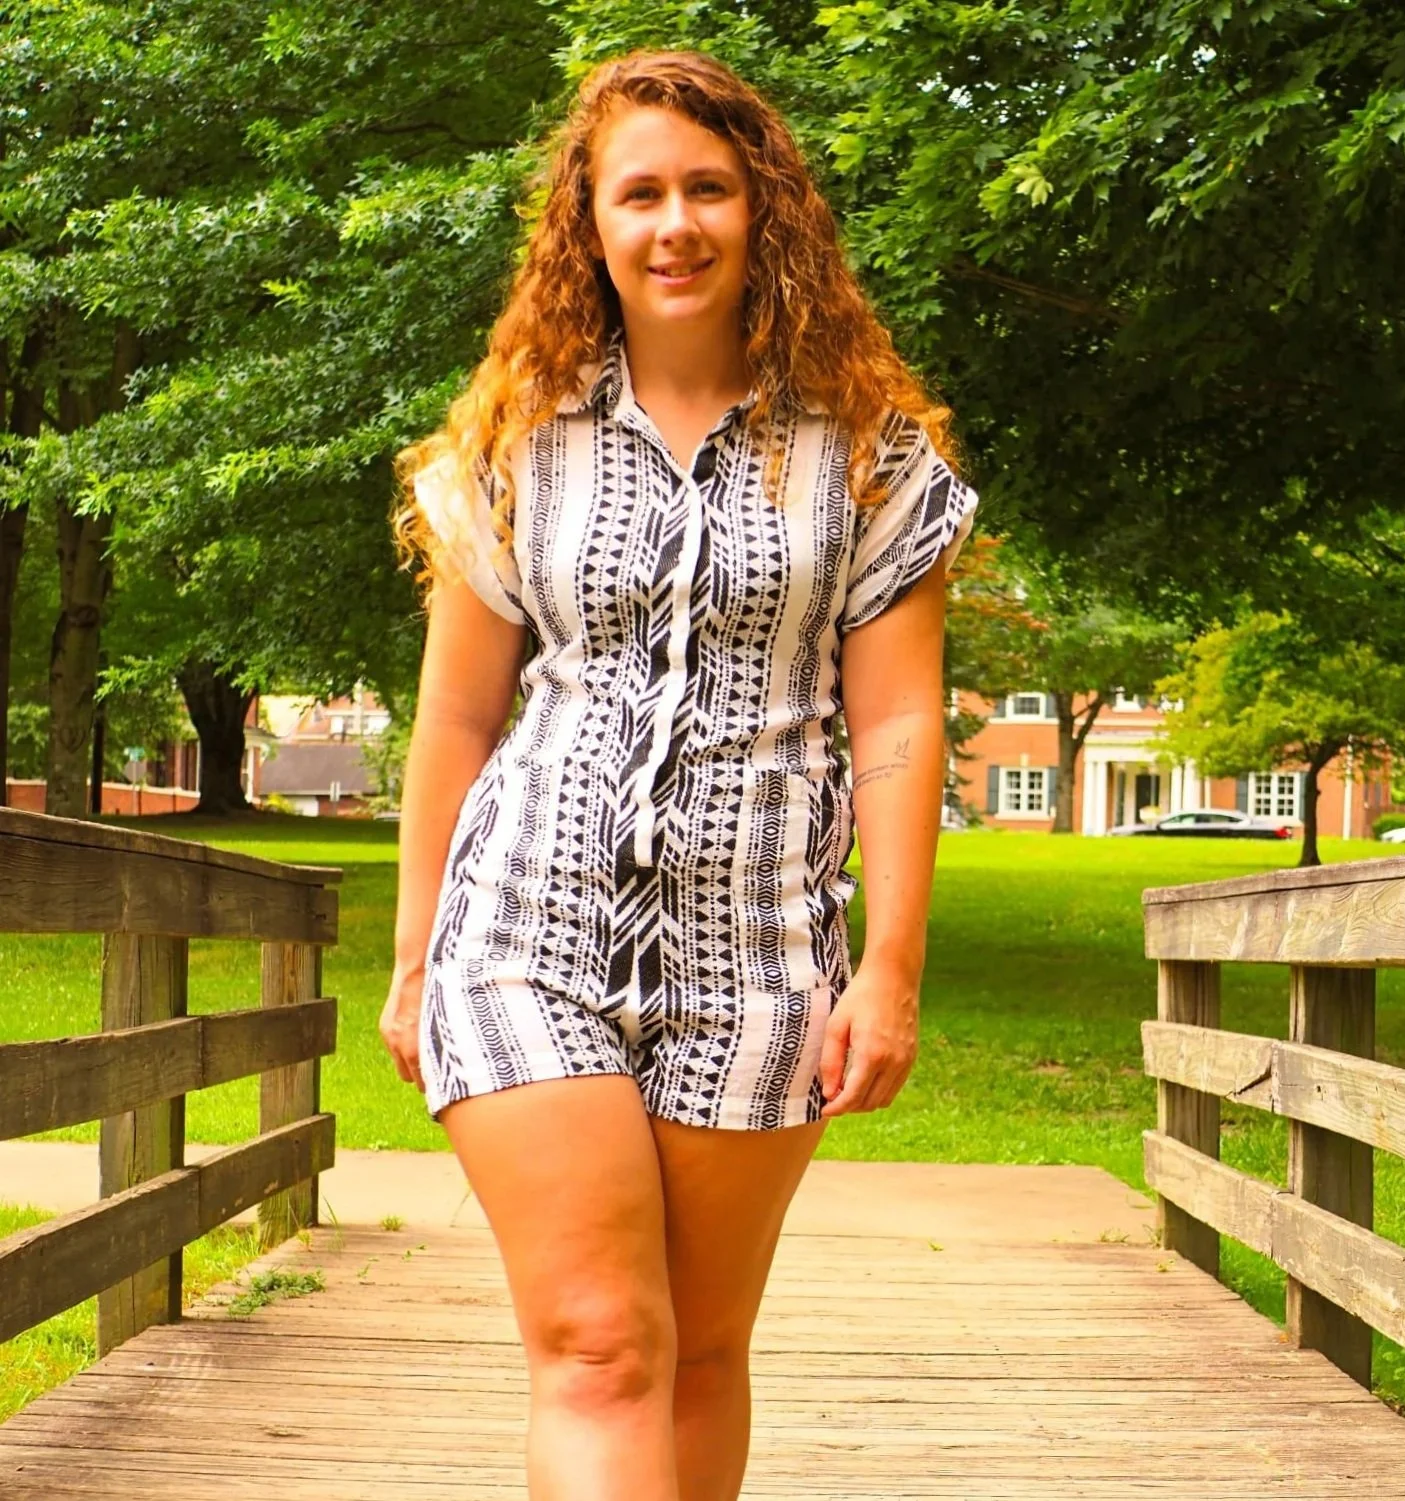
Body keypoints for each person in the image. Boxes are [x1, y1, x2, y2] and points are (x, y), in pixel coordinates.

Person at [378, 48, 977, 1501]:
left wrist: (886, 970)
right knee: (599, 1345)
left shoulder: (869, 457)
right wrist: (413, 961)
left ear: (763, 211)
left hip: (760, 954)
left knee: (700, 1352)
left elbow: (899, 733)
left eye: (708, 188)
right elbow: (455, 720)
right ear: (589, 225)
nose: (675, 223)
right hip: (525, 930)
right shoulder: (516, 443)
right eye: (637, 193)